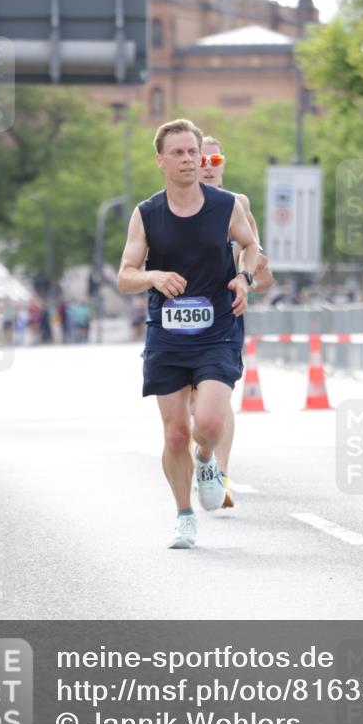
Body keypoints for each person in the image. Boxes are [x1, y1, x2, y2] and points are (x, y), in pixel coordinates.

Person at [117, 119, 259, 549]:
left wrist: (244, 279)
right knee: (176, 432)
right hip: (168, 335)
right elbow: (125, 276)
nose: (187, 160)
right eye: (177, 153)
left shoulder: (226, 205)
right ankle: (184, 516)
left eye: (192, 152)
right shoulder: (147, 214)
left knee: (210, 423)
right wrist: (154, 276)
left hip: (217, 329)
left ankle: (207, 460)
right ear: (160, 160)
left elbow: (251, 247)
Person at [197, 135, 274, 507]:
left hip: (224, 314)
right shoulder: (169, 205)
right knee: (194, 403)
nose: (209, 165)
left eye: (216, 158)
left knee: (219, 395)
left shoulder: (237, 205)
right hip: (183, 314)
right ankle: (203, 460)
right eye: (202, 158)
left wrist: (245, 280)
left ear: (223, 164)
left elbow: (261, 266)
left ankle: (220, 475)